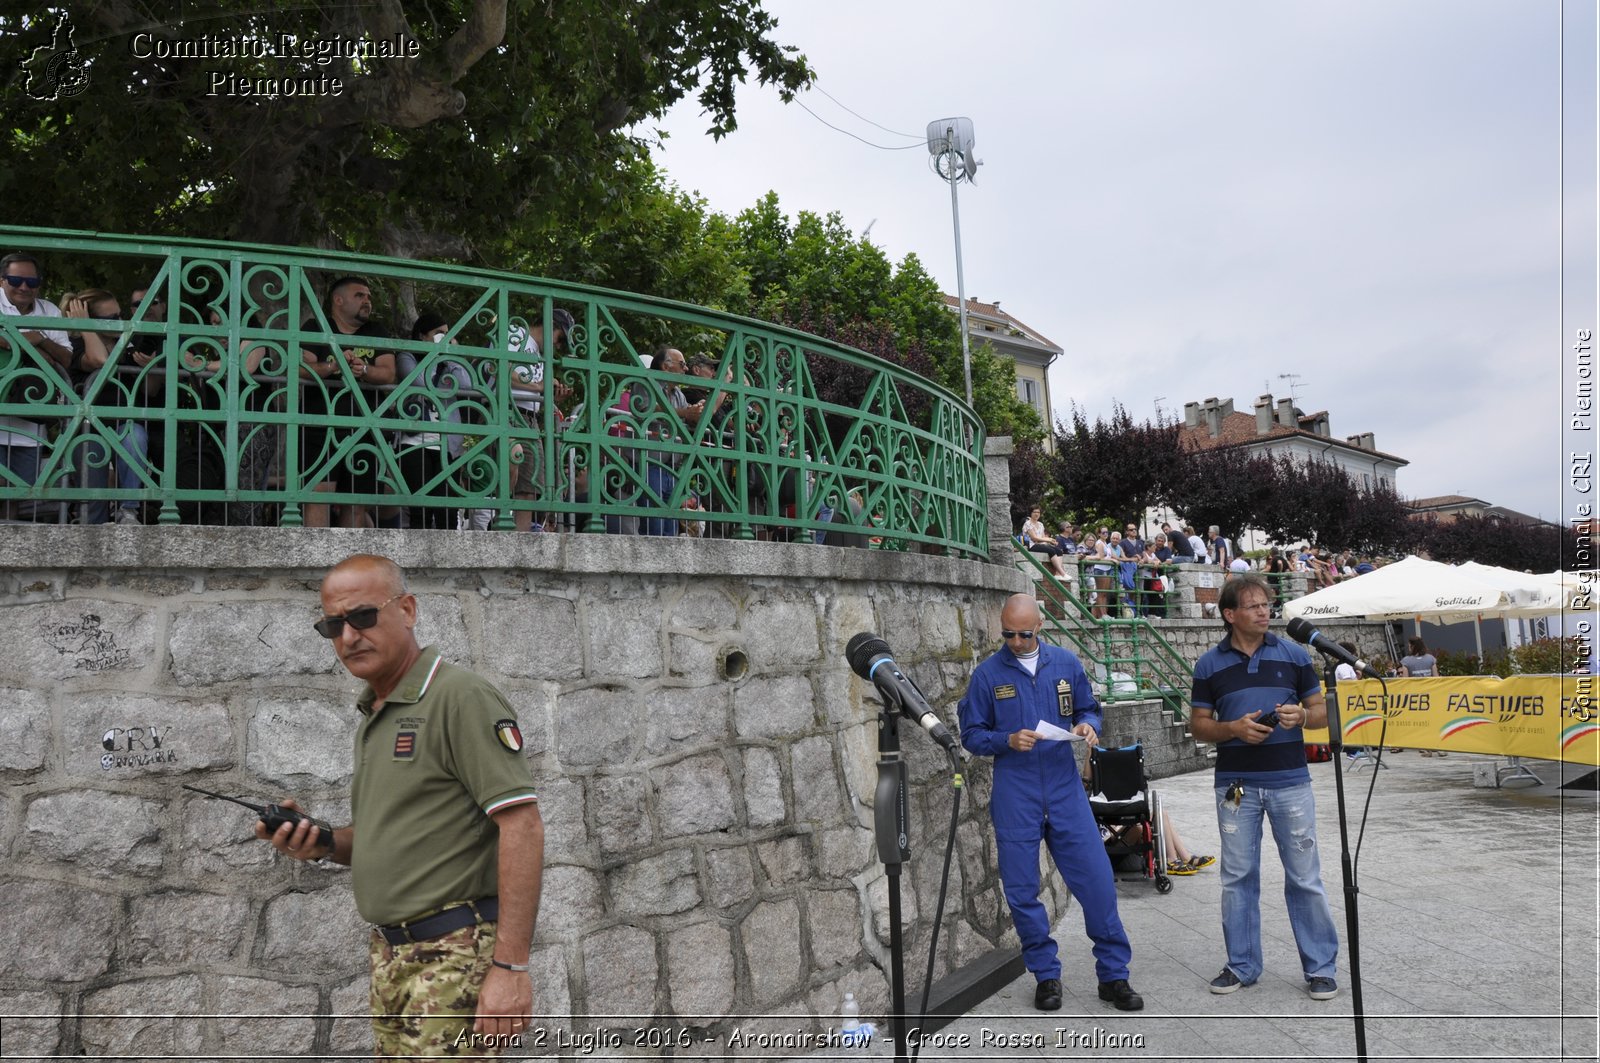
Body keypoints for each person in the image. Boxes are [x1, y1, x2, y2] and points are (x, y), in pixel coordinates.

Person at [257, 554, 545, 1058]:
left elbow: (522, 826)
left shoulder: (459, 698)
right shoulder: (378, 711)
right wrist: (320, 842)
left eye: (363, 616)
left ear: (407, 609)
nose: (349, 636)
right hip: (394, 958)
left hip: (454, 957)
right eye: (333, 625)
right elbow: (388, 841)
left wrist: (510, 967)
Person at [958, 593, 1145, 1014]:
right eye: (1008, 634)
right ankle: (1046, 975)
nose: (1017, 641)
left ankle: (1113, 975)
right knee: (1022, 888)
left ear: (1039, 627)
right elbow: (971, 734)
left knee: (1097, 883)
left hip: (1064, 788)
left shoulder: (1066, 662)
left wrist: (1088, 726)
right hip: (1016, 790)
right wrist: (1005, 740)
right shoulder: (987, 675)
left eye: (1025, 633)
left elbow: (1089, 708)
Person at [1187, 573, 1340, 1001]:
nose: (1264, 611)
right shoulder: (1208, 664)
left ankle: (1321, 968)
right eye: (1253, 605)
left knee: (1305, 877)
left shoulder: (1294, 654)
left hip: (1291, 783)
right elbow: (1198, 726)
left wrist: (1302, 718)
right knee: (1237, 877)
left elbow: (1320, 712)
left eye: (1267, 604)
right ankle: (1241, 965)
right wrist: (1231, 728)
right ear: (1230, 614)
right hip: (1236, 787)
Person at [299, 276, 396, 528]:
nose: (367, 301)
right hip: (320, 425)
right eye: (359, 295)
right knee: (318, 495)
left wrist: (363, 369)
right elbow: (301, 368)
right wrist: (334, 365)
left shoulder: (377, 331)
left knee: (355, 501)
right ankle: (316, 563)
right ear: (338, 300)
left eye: (369, 297)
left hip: (365, 428)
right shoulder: (316, 326)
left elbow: (388, 372)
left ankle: (351, 565)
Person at [62, 289, 152, 525]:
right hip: (87, 429)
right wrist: (86, 327)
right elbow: (100, 360)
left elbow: (150, 390)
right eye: (111, 319)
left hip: (122, 423)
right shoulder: (75, 344)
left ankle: (129, 510)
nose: (119, 322)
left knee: (136, 435)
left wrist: (150, 368)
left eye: (119, 315)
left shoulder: (128, 346)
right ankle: (92, 532)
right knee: (93, 508)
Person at [1, 252, 72, 518]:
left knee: (19, 491)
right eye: (16, 280)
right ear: (1, 281)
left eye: (32, 282)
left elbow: (65, 358)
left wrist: (38, 338)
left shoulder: (49, 310)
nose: (24, 287)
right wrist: (25, 345)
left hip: (30, 420)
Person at [1399, 637, 1446, 757]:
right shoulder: (1431, 659)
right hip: (1431, 695)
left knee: (1422, 723)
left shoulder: (1406, 661)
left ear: (1413, 646)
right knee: (1435, 722)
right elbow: (1436, 677)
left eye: (1409, 646)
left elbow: (1405, 681)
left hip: (1417, 697)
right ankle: (1440, 747)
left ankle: (1426, 748)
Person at [1021, 505, 1069, 578]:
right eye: (1034, 512)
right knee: (1051, 551)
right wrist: (1048, 539)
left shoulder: (1040, 524)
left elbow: (1043, 537)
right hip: (1031, 545)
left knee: (1058, 551)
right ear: (1031, 513)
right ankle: (1062, 573)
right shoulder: (1028, 523)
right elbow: (1034, 538)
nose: (1037, 514)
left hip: (1040, 544)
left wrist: (1051, 541)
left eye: (1038, 512)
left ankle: (1058, 574)